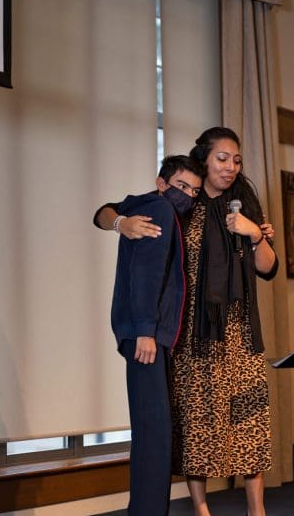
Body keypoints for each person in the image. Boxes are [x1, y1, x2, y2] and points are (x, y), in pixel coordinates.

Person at [95, 127, 277, 516]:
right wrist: (121, 224)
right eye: (222, 159)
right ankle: (201, 508)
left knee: (250, 418)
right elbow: (105, 211)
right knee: (197, 423)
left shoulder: (243, 205)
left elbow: (269, 268)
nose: (230, 167)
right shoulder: (181, 202)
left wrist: (254, 234)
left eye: (236, 160)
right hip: (191, 331)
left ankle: (257, 510)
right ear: (204, 160)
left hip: (239, 330)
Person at [107, 155, 204, 516]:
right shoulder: (161, 212)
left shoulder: (150, 209)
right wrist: (147, 331)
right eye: (182, 186)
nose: (188, 196)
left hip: (148, 336)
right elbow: (145, 274)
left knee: (153, 432)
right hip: (146, 337)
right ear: (162, 183)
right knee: (155, 436)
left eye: (194, 191)